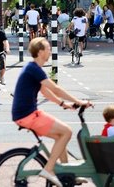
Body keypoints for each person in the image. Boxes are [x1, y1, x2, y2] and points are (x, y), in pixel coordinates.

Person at [12, 37, 92, 186]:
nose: (50, 50)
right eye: (48, 48)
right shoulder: (34, 69)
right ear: (41, 51)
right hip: (28, 115)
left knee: (60, 137)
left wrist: (63, 104)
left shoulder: (32, 68)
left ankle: (68, 176)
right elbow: (55, 88)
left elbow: (45, 92)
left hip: (25, 114)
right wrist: (79, 101)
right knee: (67, 132)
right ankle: (48, 169)